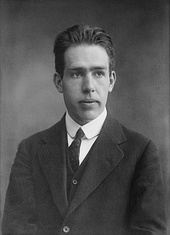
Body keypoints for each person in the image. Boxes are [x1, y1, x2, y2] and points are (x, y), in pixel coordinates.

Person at [2, 24, 167, 235]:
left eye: (98, 73)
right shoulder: (30, 150)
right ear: (59, 81)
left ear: (111, 80)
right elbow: (15, 229)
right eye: (77, 74)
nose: (89, 86)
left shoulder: (140, 151)